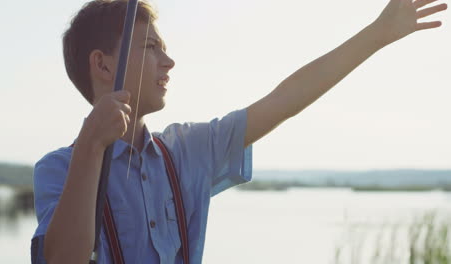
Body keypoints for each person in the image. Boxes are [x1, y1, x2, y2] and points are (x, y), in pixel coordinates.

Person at [31, 0, 447, 263]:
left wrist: (377, 34)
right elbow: (63, 258)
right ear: (103, 66)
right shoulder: (58, 169)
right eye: (150, 47)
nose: (169, 61)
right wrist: (91, 143)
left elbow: (285, 98)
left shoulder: (188, 150)